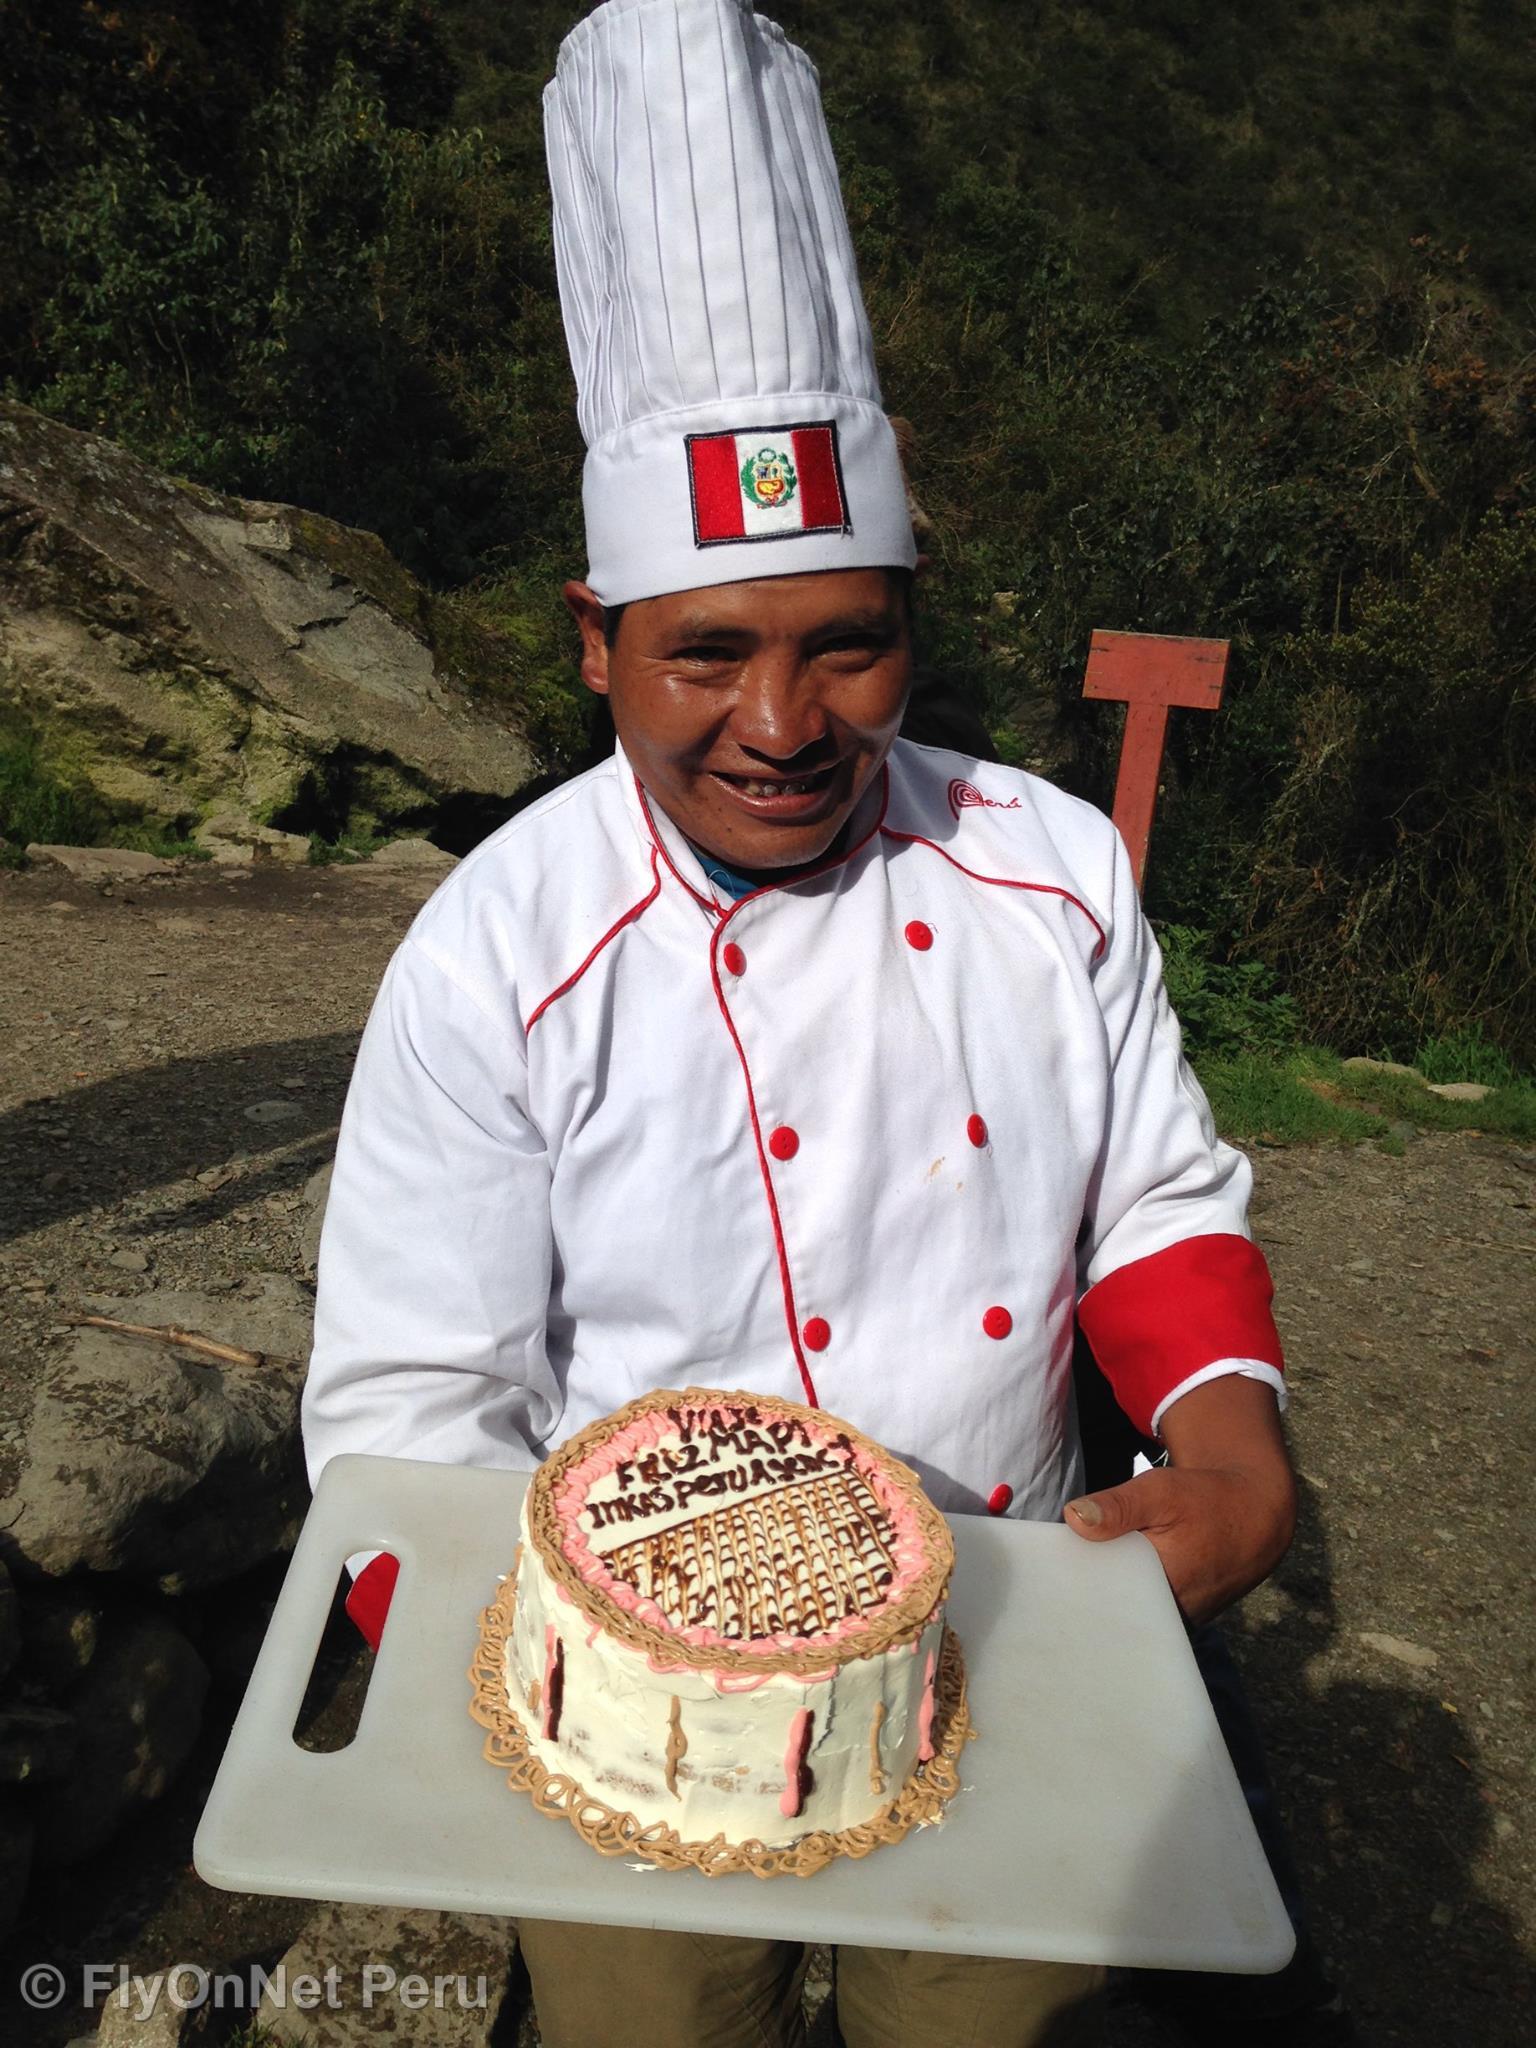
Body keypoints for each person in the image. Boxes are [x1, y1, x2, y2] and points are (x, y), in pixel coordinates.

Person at [302, 4, 1295, 2042]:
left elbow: (1149, 1201)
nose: (783, 723)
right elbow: (409, 1413)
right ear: (596, 641)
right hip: (638, 1697)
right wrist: (560, 1689)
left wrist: (1230, 1439)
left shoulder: (1043, 869)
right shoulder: (501, 956)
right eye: (708, 653)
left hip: (1013, 1618)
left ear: (912, 623)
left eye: (850, 646)